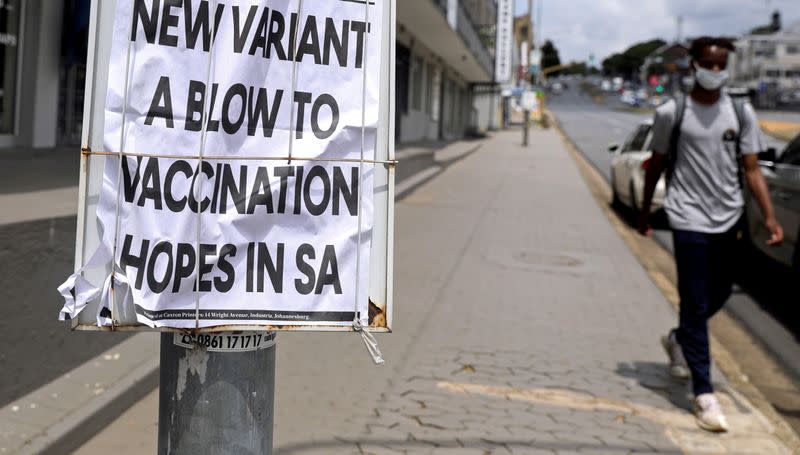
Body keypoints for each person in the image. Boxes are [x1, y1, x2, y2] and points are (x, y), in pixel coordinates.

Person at [637, 37, 784, 433]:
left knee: (719, 292)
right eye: (708, 64)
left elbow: (752, 168)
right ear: (693, 66)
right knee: (695, 298)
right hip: (687, 217)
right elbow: (656, 163)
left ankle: (677, 339)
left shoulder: (741, 112)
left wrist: (769, 218)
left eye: (721, 65)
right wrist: (646, 209)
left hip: (729, 216)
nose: (714, 71)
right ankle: (704, 393)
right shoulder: (673, 111)